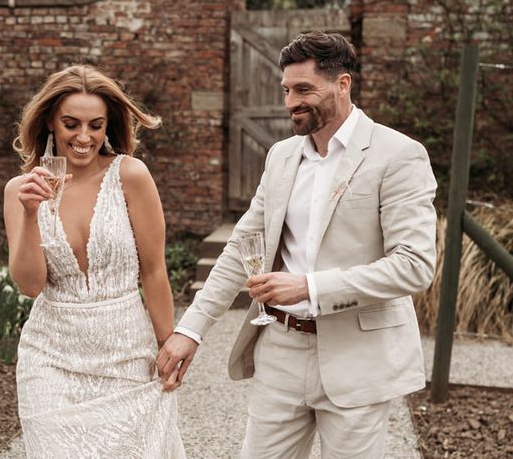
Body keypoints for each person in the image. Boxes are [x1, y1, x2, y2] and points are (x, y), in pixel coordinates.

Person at [157, 31, 437, 458]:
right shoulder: (282, 156)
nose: (290, 102)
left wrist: (310, 287)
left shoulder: (399, 155)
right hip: (281, 352)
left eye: (304, 89)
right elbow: (242, 247)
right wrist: (190, 329)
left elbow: (414, 265)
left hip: (358, 359)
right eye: (286, 89)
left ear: (343, 84)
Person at [4, 65, 186, 458]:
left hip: (126, 354)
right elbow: (29, 285)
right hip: (50, 359)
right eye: (71, 124)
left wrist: (169, 345)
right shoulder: (20, 191)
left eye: (95, 125)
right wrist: (31, 214)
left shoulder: (131, 176)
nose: (84, 137)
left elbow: (154, 270)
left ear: (108, 127)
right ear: (50, 121)